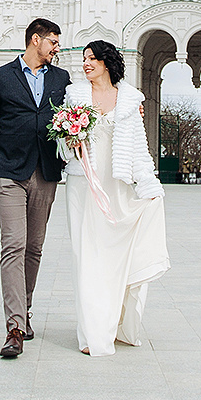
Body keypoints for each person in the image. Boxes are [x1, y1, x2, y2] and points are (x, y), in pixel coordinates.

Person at [0, 18, 68, 359]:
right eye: (52, 41)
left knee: (34, 247)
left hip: (45, 172)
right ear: (35, 40)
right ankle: (14, 328)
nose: (56, 47)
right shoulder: (1, 76)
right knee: (14, 245)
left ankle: (25, 311)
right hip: (9, 171)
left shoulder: (61, 79)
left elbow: (84, 108)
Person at [60, 40, 169, 357]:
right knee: (86, 257)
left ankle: (118, 323)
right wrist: (69, 136)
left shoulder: (131, 99)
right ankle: (92, 333)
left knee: (115, 258)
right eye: (84, 59)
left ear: (107, 62)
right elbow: (66, 148)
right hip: (84, 186)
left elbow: (138, 148)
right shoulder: (75, 96)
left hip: (117, 187)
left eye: (92, 58)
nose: (86, 64)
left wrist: (149, 185)